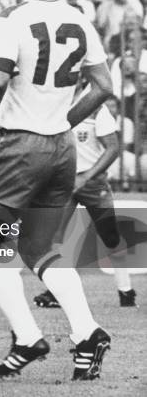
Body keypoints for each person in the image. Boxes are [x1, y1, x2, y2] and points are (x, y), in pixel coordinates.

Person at [0, 0, 113, 380]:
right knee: (38, 247)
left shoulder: (12, 19)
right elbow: (103, 86)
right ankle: (87, 333)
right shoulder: (79, 19)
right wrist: (64, 119)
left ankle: (28, 336)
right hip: (62, 148)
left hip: (17, 145)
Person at [33, 82, 137, 308]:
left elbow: (112, 148)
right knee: (53, 239)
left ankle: (126, 291)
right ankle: (56, 293)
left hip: (92, 183)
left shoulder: (98, 108)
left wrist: (86, 177)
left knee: (110, 236)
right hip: (62, 182)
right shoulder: (54, 105)